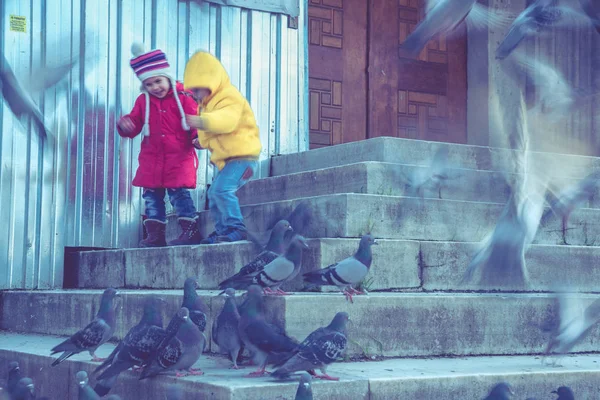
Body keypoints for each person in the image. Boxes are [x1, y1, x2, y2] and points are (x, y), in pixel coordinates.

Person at [117, 43, 202, 247]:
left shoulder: (184, 98)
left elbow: (195, 119)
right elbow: (135, 122)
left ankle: (190, 231)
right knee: (152, 197)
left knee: (178, 194)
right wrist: (126, 125)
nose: (155, 87)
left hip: (178, 158)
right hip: (151, 159)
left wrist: (200, 136)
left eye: (158, 81)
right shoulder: (143, 102)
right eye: (149, 84)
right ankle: (155, 235)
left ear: (168, 78)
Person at [183, 50, 262, 244]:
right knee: (213, 192)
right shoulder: (207, 105)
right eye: (192, 90)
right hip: (229, 159)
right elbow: (215, 131)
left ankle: (236, 227)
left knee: (222, 190)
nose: (194, 95)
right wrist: (203, 142)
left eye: (198, 89)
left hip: (244, 157)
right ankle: (222, 231)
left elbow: (226, 121)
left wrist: (201, 121)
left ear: (211, 82)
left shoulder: (229, 96)